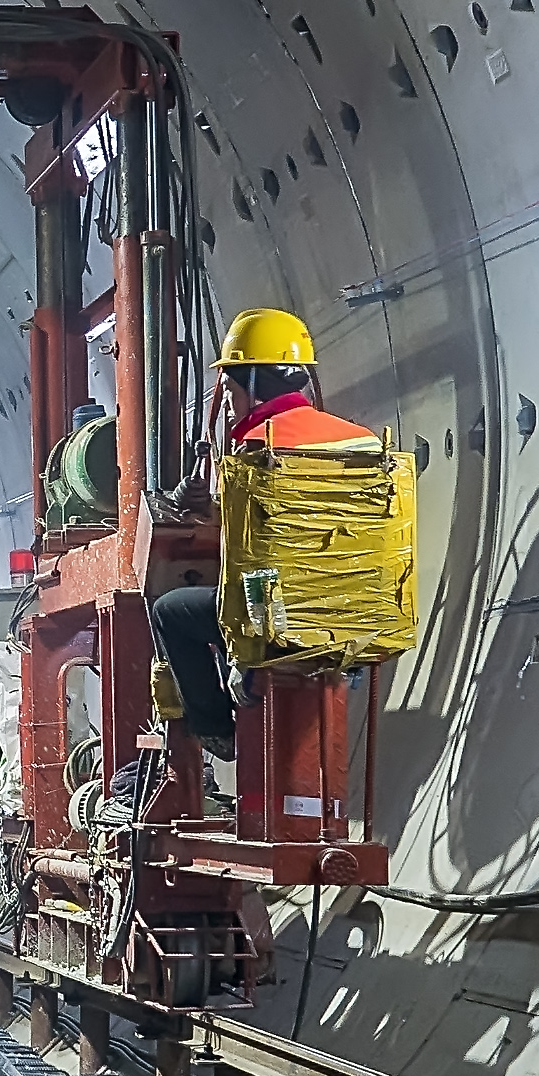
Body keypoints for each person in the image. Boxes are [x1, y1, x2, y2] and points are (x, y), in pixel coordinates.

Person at [150, 308, 389, 762]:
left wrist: (245, 657)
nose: (231, 400)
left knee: (172, 612)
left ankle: (217, 730)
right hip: (357, 610)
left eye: (233, 387)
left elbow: (252, 557)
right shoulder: (360, 441)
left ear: (253, 384)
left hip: (282, 613)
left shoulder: (257, 450)